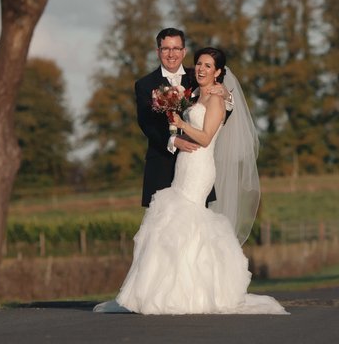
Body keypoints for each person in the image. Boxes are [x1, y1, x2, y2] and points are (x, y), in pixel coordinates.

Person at [94, 47, 288, 315]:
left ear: (219, 72)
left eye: (208, 66)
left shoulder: (218, 98)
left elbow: (207, 137)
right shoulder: (195, 93)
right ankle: (167, 291)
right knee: (173, 223)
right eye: (199, 64)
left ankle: (194, 292)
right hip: (184, 165)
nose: (201, 69)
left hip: (199, 167)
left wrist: (181, 124)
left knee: (188, 220)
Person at [135, 27, 232, 207]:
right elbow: (146, 124)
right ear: (158, 51)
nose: (171, 54)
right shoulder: (144, 85)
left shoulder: (198, 76)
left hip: (195, 167)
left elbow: (220, 113)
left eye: (176, 48)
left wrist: (226, 95)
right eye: (166, 49)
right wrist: (173, 140)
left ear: (184, 51)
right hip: (162, 167)